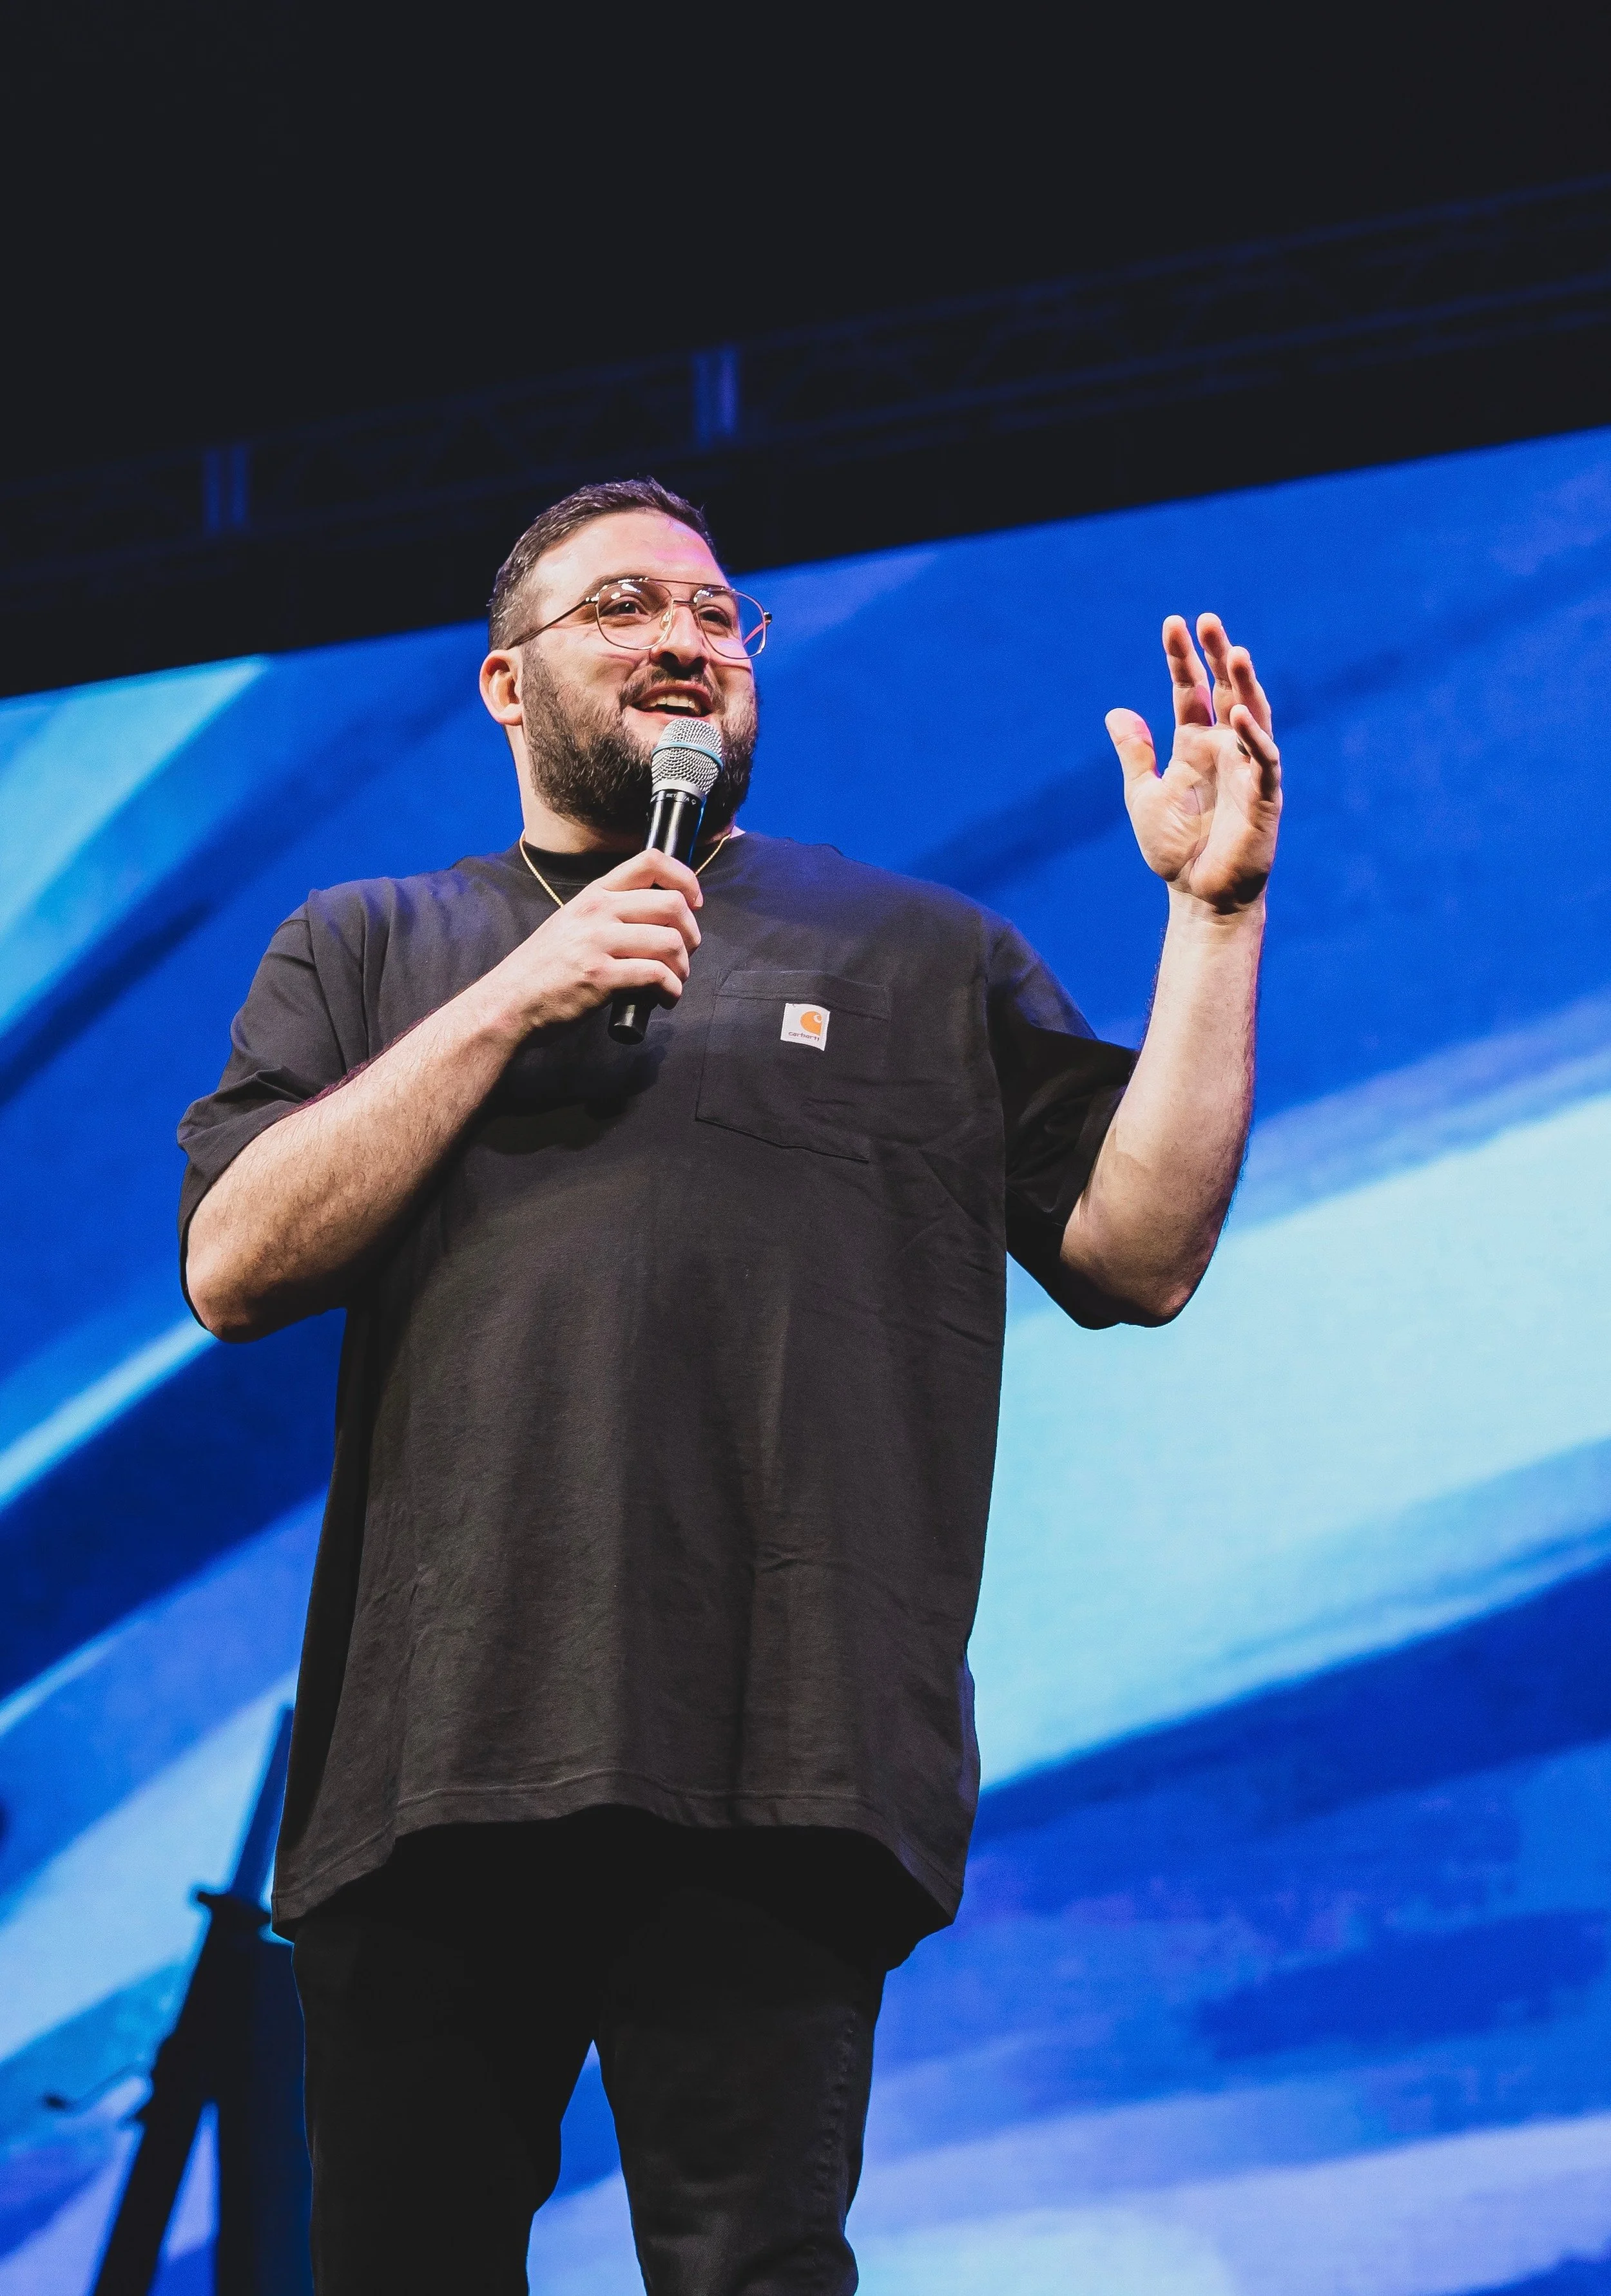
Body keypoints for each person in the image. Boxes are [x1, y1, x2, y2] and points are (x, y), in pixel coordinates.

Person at [178, 476, 1282, 2295]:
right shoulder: (367, 945)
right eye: (623, 609)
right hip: (438, 1754)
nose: (687, 639)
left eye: (716, 615)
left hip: (780, 1744)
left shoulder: (914, 952)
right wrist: (515, 996)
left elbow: (1137, 1247)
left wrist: (1216, 917)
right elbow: (235, 1260)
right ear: (503, 686)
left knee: (757, 2269)